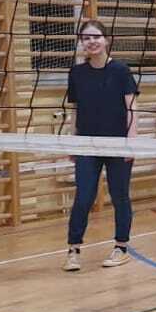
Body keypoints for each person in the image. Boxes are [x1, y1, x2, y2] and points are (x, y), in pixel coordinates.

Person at [63, 19, 139, 272]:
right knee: (83, 197)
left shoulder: (120, 71)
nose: (91, 41)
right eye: (86, 38)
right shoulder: (76, 73)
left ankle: (121, 247)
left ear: (106, 40)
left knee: (120, 196)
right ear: (81, 43)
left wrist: (131, 143)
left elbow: (132, 107)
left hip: (118, 144)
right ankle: (73, 250)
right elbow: (75, 110)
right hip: (87, 144)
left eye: (96, 36)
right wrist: (73, 141)